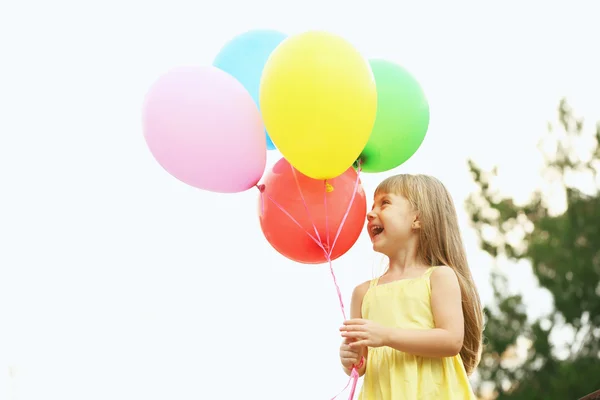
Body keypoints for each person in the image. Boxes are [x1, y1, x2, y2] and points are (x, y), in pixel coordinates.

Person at [339, 174, 484, 399]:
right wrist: (351, 360)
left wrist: (386, 335)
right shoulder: (362, 293)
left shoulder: (439, 277)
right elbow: (362, 364)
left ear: (418, 219)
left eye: (384, 203)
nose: (369, 213)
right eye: (372, 205)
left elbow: (451, 340)